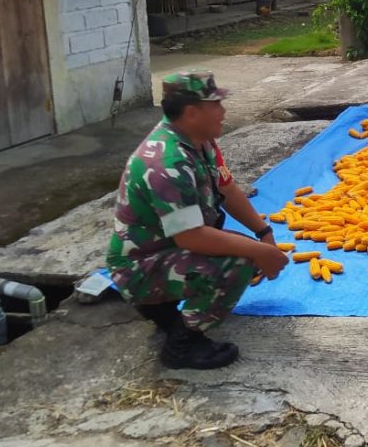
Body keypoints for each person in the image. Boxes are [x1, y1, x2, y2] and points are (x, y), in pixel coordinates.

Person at [107, 71, 288, 369]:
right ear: (192, 112)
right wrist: (261, 252)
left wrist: (263, 232)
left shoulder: (198, 141)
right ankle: (183, 343)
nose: (224, 110)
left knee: (244, 246)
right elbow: (191, 237)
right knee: (239, 262)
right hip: (139, 267)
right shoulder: (167, 164)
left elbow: (225, 188)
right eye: (216, 104)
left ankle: (163, 308)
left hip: (159, 252)